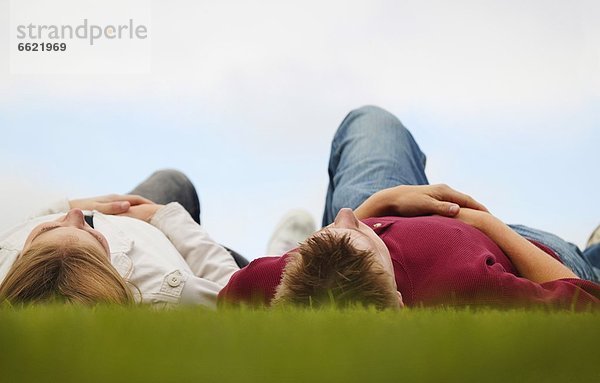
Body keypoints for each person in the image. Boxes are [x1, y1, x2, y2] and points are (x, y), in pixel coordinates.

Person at [218, 106, 600, 310]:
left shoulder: (269, 283)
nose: (345, 214)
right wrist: (482, 220)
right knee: (591, 263)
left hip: (393, 204)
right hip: (520, 246)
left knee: (371, 121)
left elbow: (228, 301)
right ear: (401, 304)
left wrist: (383, 203)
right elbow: (584, 302)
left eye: (325, 233)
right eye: (353, 232)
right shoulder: (468, 291)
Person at [0, 170, 246, 307]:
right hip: (162, 234)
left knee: (169, 179)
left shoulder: (5, 258)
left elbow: (28, 226)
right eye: (89, 233)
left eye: (47, 230)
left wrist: (62, 207)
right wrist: (164, 216)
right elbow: (240, 292)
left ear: (22, 257)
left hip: (115, 215)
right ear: (108, 260)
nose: (74, 216)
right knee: (257, 268)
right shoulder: (170, 291)